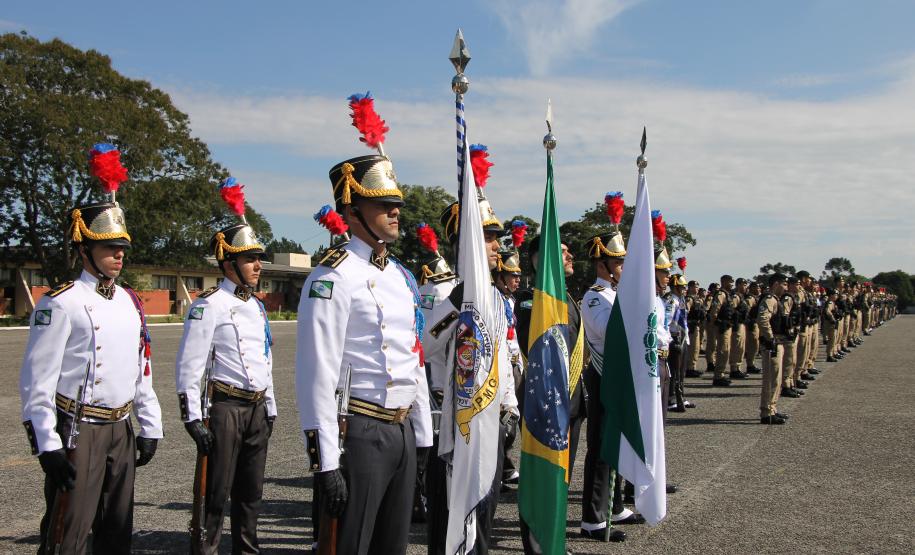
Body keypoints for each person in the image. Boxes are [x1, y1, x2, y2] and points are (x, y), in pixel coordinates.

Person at [295, 126, 433, 554]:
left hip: (402, 428)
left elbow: (414, 356)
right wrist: (325, 461)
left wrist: (423, 435)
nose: (395, 213)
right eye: (384, 205)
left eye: (396, 204)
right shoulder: (332, 277)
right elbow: (316, 372)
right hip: (359, 431)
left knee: (393, 546)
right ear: (352, 211)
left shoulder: (399, 275)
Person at [19, 144, 162, 553]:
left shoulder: (130, 301)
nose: (118, 255)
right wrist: (47, 443)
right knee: (69, 533)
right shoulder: (60, 302)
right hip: (77, 429)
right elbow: (37, 380)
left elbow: (140, 370)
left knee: (117, 532)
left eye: (122, 248)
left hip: (121, 428)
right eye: (108, 248)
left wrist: (149, 424)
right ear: (85, 250)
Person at [422, 148, 518, 553]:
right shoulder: (446, 291)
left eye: (496, 237)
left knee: (486, 513)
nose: (496, 246)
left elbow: (504, 357)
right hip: (455, 421)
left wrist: (510, 408)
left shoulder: (497, 298)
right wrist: (456, 303)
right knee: (453, 520)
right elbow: (426, 344)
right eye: (488, 237)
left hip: (490, 417)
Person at [175, 177, 276, 553]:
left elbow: (264, 358)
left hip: (256, 408)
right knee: (215, 494)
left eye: (258, 258)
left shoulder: (257, 305)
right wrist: (192, 418)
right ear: (228, 261)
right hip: (225, 409)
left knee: (251, 495)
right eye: (250, 258)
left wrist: (271, 407)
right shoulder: (208, 305)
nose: (258, 265)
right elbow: (190, 365)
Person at [578, 219, 634, 543]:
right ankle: (592, 518)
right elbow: (609, 333)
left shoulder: (614, 294)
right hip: (601, 378)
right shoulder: (595, 297)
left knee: (615, 444)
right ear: (602, 265)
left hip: (616, 378)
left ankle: (614, 506)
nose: (622, 267)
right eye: (617, 262)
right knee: (600, 447)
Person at [757, 273, 794, 424]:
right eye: (784, 284)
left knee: (777, 379)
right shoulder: (770, 299)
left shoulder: (776, 300)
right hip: (772, 344)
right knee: (771, 379)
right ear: (776, 284)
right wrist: (770, 337)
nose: (786, 287)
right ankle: (766, 412)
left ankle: (772, 409)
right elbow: (763, 318)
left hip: (778, 342)